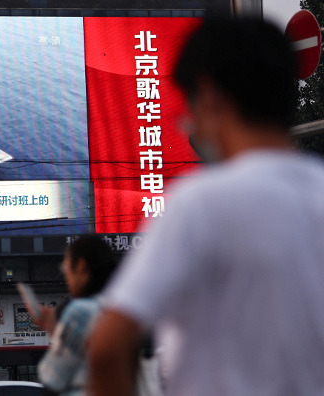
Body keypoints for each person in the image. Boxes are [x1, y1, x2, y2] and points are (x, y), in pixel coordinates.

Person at [88, 18, 324, 396]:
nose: (190, 125)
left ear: (209, 94)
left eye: (190, 107)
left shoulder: (199, 204)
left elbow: (106, 348)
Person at [27, 235, 117, 396]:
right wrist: (55, 328)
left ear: (81, 266)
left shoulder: (80, 311)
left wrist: (57, 334)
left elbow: (52, 377)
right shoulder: (118, 308)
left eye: (66, 267)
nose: (66, 276)